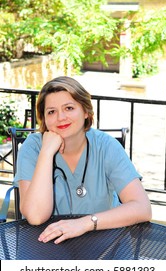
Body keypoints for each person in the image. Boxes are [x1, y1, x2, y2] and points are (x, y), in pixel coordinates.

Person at [14, 76, 152, 245]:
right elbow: (35, 216)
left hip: (104, 244)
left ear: (86, 112)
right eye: (51, 112)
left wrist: (85, 223)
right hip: (47, 244)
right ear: (44, 119)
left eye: (69, 108)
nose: (61, 117)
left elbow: (142, 207)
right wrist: (46, 153)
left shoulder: (106, 146)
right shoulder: (33, 148)